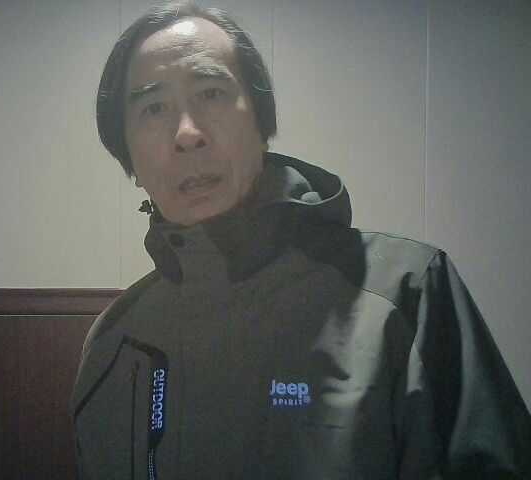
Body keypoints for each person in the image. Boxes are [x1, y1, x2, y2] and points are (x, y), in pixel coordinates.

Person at [70, 2, 531, 478]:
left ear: (262, 125)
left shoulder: (405, 293)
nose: (187, 134)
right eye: (153, 108)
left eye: (210, 93)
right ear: (130, 159)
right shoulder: (114, 343)